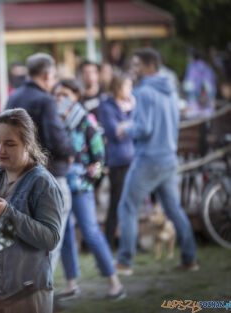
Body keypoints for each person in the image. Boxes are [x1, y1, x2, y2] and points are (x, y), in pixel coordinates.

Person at [0, 108, 62, 313]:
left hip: (24, 293)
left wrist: (7, 213)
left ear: (28, 144)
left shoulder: (41, 182)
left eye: (10, 144)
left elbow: (51, 238)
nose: (0, 150)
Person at [115, 48, 198, 275]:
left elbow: (144, 128)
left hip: (148, 160)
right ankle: (190, 259)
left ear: (149, 65)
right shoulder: (170, 90)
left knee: (127, 207)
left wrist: (125, 128)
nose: (133, 69)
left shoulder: (144, 92)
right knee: (174, 210)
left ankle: (124, 262)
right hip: (169, 159)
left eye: (136, 64)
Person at [52, 79, 125, 301]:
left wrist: (87, 177)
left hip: (81, 187)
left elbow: (99, 155)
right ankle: (71, 284)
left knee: (91, 232)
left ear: (76, 95)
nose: (60, 99)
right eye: (56, 95)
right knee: (64, 235)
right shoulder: (53, 121)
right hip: (60, 185)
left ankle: (115, 282)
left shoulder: (86, 120)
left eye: (64, 94)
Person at [6, 53, 74, 272]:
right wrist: (72, 152)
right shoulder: (45, 100)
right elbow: (57, 140)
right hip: (51, 176)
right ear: (47, 74)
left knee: (26, 241)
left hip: (21, 177)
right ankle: (42, 294)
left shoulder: (14, 97)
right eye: (53, 77)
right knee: (50, 241)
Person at [98, 74, 135, 249]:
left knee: (132, 202)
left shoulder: (132, 105)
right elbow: (114, 133)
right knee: (116, 201)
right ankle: (109, 240)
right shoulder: (106, 106)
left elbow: (137, 128)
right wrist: (131, 124)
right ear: (118, 87)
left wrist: (127, 124)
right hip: (118, 160)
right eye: (127, 86)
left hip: (134, 158)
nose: (130, 90)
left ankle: (133, 241)